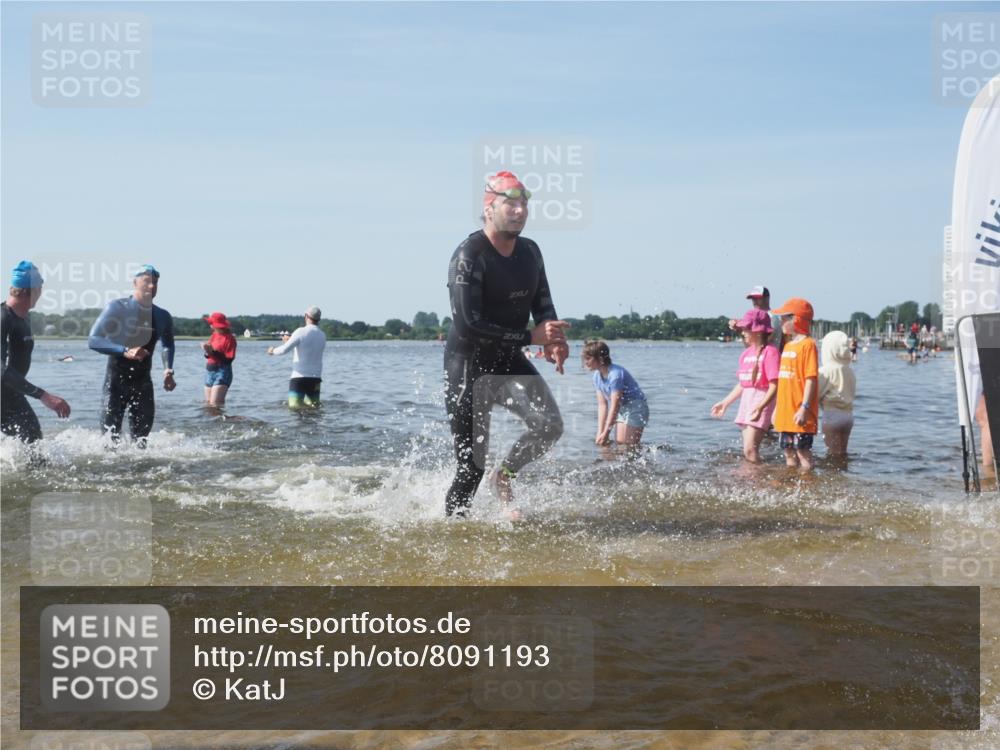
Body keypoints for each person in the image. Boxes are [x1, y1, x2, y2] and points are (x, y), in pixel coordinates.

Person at [444, 170, 570, 518]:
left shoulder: (530, 252)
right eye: (510, 204)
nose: (519, 211)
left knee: (549, 426)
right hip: (469, 367)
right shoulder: (469, 255)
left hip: (508, 359)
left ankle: (504, 477)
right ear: (488, 208)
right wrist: (530, 337)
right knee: (471, 468)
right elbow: (468, 325)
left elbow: (543, 304)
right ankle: (453, 533)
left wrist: (553, 338)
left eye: (524, 205)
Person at [88, 264, 175, 446]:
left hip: (143, 384)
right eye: (146, 281)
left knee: (141, 444)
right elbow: (94, 340)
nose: (152, 286)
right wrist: (125, 350)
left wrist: (168, 370)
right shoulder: (117, 308)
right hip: (115, 384)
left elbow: (167, 344)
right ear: (135, 283)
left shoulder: (162, 316)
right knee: (109, 443)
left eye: (155, 282)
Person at [1, 261, 71, 443]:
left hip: (12, 394)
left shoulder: (25, 318)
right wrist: (43, 396)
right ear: (30, 290)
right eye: (40, 287)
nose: (41, 293)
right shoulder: (3, 318)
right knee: (32, 445)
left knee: (34, 443)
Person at [711, 309, 780, 462]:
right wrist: (725, 403)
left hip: (761, 403)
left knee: (750, 449)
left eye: (746, 329)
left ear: (758, 331)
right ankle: (753, 474)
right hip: (746, 404)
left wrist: (761, 407)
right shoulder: (746, 354)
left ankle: (760, 475)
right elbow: (743, 384)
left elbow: (775, 385)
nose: (743, 333)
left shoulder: (771, 352)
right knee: (748, 451)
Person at [771, 298, 819, 471]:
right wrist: (777, 409)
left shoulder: (808, 345)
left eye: (784, 318)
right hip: (785, 413)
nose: (781, 322)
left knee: (802, 453)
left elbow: (811, 378)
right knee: (788, 453)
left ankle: (807, 484)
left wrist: (804, 408)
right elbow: (784, 383)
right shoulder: (788, 346)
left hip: (800, 412)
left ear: (796, 319)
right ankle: (790, 483)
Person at [582, 340, 649, 453]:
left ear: (600, 358)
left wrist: (607, 432)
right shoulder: (597, 376)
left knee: (629, 447)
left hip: (636, 407)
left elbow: (614, 406)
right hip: (622, 408)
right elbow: (602, 405)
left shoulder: (615, 375)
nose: (585, 362)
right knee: (619, 443)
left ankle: (646, 457)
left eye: (588, 358)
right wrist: (600, 432)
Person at [268, 306, 326, 408]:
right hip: (315, 378)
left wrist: (272, 351)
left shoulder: (300, 331)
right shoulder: (322, 335)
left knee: (294, 408)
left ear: (306, 316)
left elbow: (283, 350)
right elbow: (308, 349)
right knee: (314, 409)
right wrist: (291, 341)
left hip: (299, 378)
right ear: (319, 319)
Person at [818, 331, 856, 458]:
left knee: (832, 454)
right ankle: (844, 470)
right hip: (848, 416)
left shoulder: (825, 371)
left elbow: (816, 394)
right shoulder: (849, 371)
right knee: (842, 452)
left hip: (832, 415)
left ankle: (834, 472)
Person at [730, 285, 783, 350]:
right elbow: (751, 347)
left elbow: (760, 345)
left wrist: (741, 330)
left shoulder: (772, 317)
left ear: (767, 298)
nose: (754, 301)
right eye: (753, 298)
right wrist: (741, 330)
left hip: (768, 355)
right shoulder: (759, 317)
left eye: (758, 298)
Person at [202, 312, 237, 407]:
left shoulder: (230, 339)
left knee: (215, 404)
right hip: (209, 371)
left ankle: (223, 416)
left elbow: (229, 359)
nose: (210, 325)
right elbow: (209, 355)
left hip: (222, 372)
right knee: (208, 406)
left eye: (211, 323)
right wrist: (207, 351)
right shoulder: (214, 335)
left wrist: (212, 352)